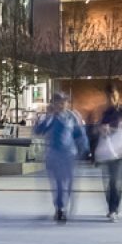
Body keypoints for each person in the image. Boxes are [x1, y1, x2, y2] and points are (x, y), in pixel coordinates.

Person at [35, 94, 87, 223]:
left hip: (69, 154)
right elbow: (39, 130)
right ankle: (60, 208)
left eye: (63, 102)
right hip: (54, 154)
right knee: (59, 183)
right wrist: (48, 116)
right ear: (53, 104)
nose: (61, 105)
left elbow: (80, 133)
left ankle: (62, 205)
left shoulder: (72, 117)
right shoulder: (50, 117)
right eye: (58, 103)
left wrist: (86, 149)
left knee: (68, 183)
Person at [94, 103, 122, 220]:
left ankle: (114, 209)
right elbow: (99, 138)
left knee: (116, 183)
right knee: (109, 183)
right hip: (108, 156)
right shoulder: (108, 125)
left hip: (120, 157)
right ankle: (111, 207)